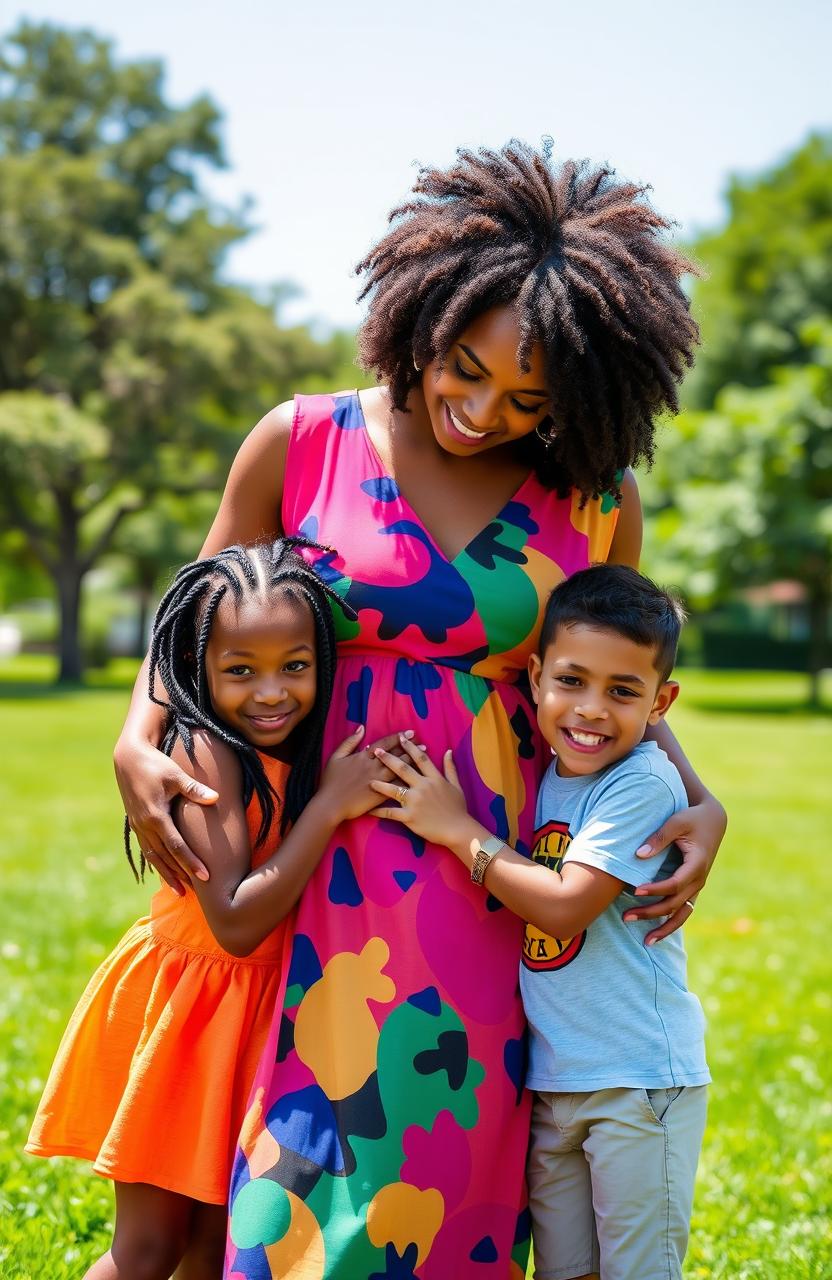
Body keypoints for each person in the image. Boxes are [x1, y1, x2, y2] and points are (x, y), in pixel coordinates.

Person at [113, 142, 727, 1278]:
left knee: (449, 1138)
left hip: (478, 849)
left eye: (528, 398)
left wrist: (698, 796)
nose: (481, 411)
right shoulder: (301, 438)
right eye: (462, 368)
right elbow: (189, 623)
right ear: (420, 314)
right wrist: (134, 736)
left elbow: (608, 666)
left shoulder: (593, 494)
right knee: (262, 1162)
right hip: (301, 828)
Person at [27, 538, 408, 1280]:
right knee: (148, 1249)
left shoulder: (299, 748)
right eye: (240, 672)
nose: (271, 693)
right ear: (196, 668)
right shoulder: (205, 750)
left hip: (263, 1018)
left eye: (294, 668)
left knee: (220, 1250)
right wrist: (329, 806)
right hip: (195, 1011)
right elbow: (233, 920)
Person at [372, 563, 709, 1280]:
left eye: (623, 691)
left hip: (636, 1079)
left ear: (662, 701)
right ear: (534, 678)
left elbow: (564, 905)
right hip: (560, 1080)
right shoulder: (547, 773)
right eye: (572, 681)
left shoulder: (642, 780)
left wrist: (455, 829)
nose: (590, 709)